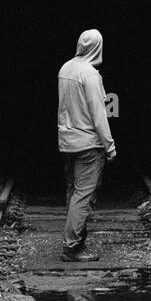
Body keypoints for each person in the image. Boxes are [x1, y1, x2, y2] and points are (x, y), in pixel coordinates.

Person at [58, 28, 116, 261]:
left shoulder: (65, 68)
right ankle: (72, 247)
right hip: (88, 144)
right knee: (83, 195)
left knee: (73, 192)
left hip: (67, 141)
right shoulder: (90, 74)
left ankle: (76, 240)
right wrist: (109, 146)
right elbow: (99, 114)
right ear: (97, 47)